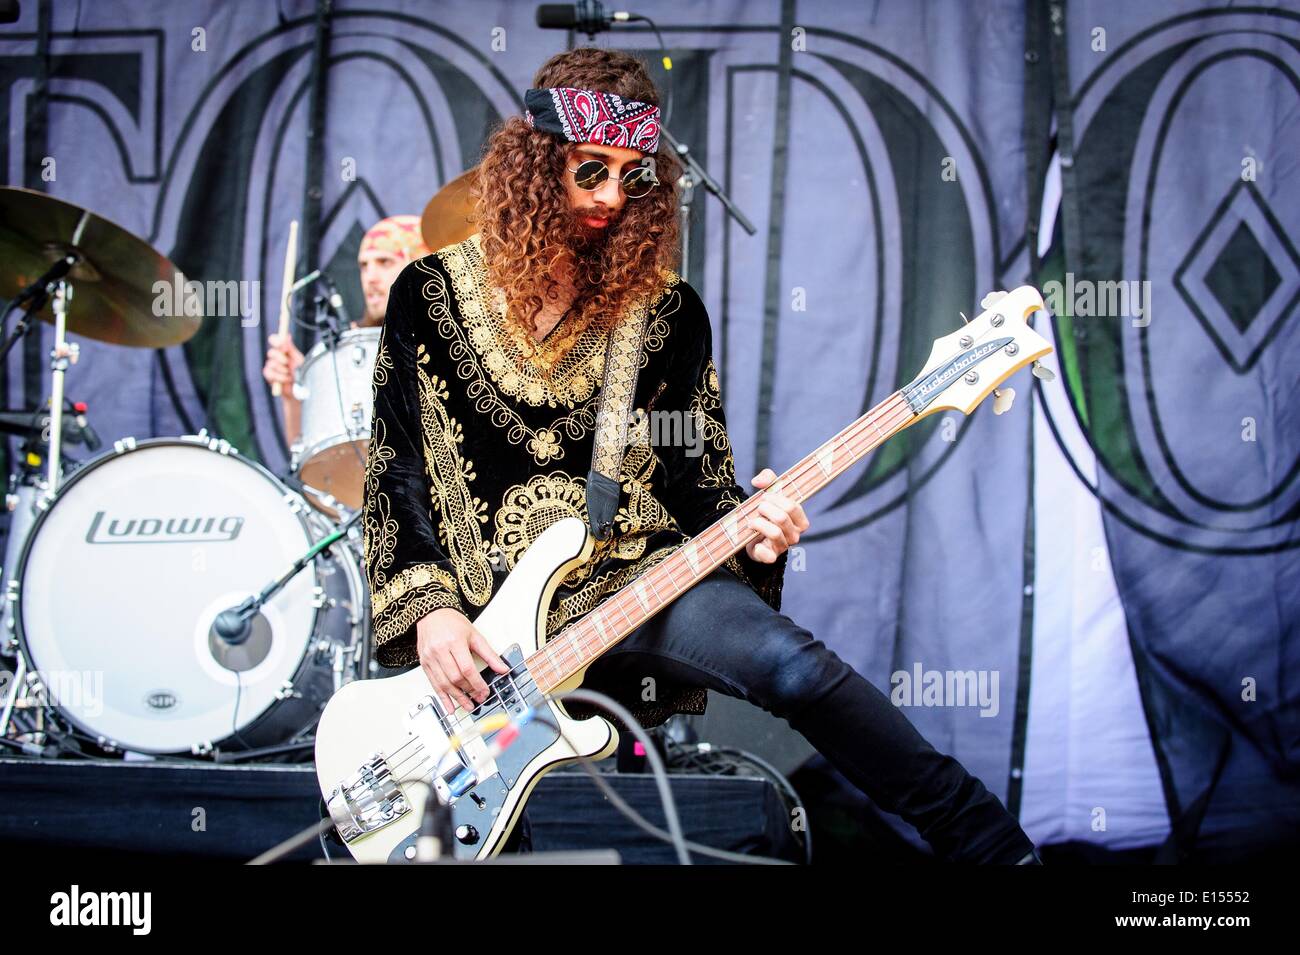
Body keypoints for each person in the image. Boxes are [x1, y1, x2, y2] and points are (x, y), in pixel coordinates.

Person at [363, 47, 1042, 864]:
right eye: (592, 172)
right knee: (483, 830)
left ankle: (993, 845)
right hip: (486, 626)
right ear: (538, 166)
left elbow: (699, 482)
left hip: (637, 580)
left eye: (635, 176)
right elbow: (397, 470)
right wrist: (433, 610)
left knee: (793, 665)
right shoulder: (426, 295)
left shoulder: (667, 313)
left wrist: (754, 523)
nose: (614, 197)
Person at [261, 215, 430, 447]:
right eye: (364, 266)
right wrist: (298, 388)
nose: (370, 278)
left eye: (384, 262)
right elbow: (311, 453)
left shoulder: (452, 336)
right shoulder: (352, 348)